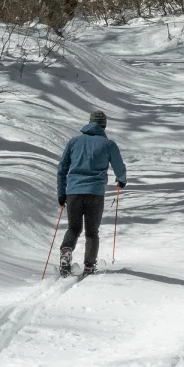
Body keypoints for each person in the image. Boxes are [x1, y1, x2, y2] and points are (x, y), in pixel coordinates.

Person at [57, 110, 127, 277]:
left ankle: (66, 251)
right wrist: (121, 180)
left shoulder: (73, 142)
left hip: (73, 192)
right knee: (91, 232)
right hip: (95, 194)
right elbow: (119, 167)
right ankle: (89, 266)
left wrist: (61, 192)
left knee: (73, 228)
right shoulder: (108, 144)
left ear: (89, 123)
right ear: (104, 125)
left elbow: (62, 169)